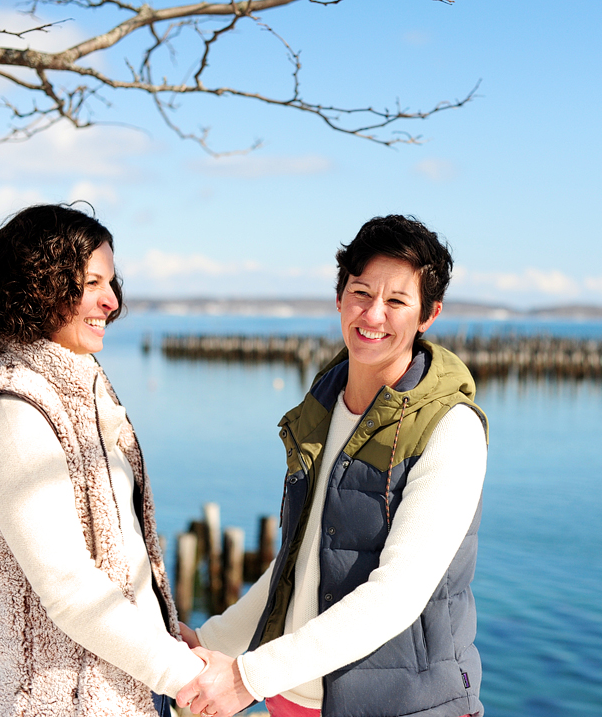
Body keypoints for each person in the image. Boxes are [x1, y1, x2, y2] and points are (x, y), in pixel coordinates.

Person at [178, 215, 488, 717]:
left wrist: (246, 678)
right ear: (340, 296)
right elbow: (298, 563)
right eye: (362, 293)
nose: (373, 315)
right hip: (292, 699)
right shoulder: (321, 408)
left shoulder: (450, 428)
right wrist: (211, 641)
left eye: (396, 301)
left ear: (428, 315)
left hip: (403, 706)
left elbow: (398, 594)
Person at [0, 204, 204, 717]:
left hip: (122, 684)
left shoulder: (78, 391)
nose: (112, 301)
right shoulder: (12, 413)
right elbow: (68, 587)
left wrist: (160, 627)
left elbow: (117, 546)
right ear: (38, 287)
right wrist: (187, 678)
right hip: (62, 703)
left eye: (112, 282)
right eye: (91, 283)